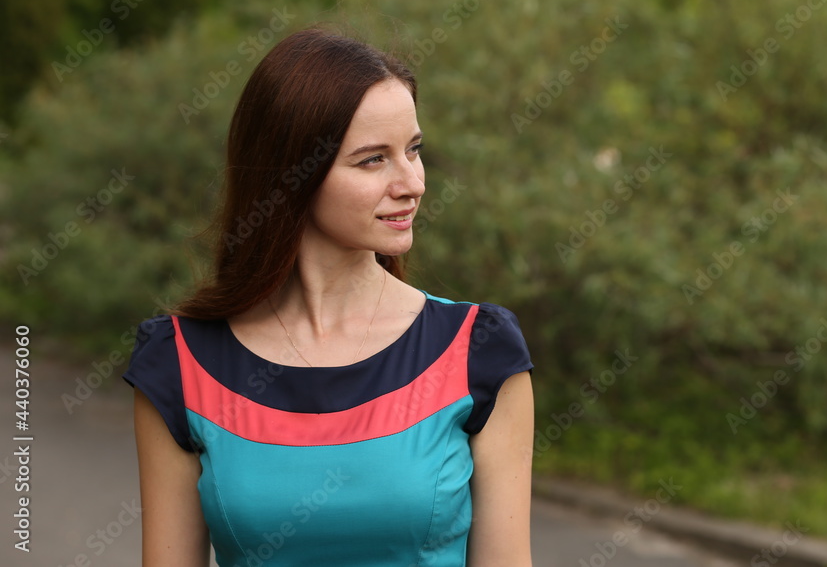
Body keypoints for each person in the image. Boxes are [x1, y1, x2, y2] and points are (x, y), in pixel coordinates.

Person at [122, 27, 535, 566]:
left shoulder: (478, 351)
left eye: (414, 150)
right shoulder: (178, 363)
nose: (412, 182)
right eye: (373, 159)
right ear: (291, 175)